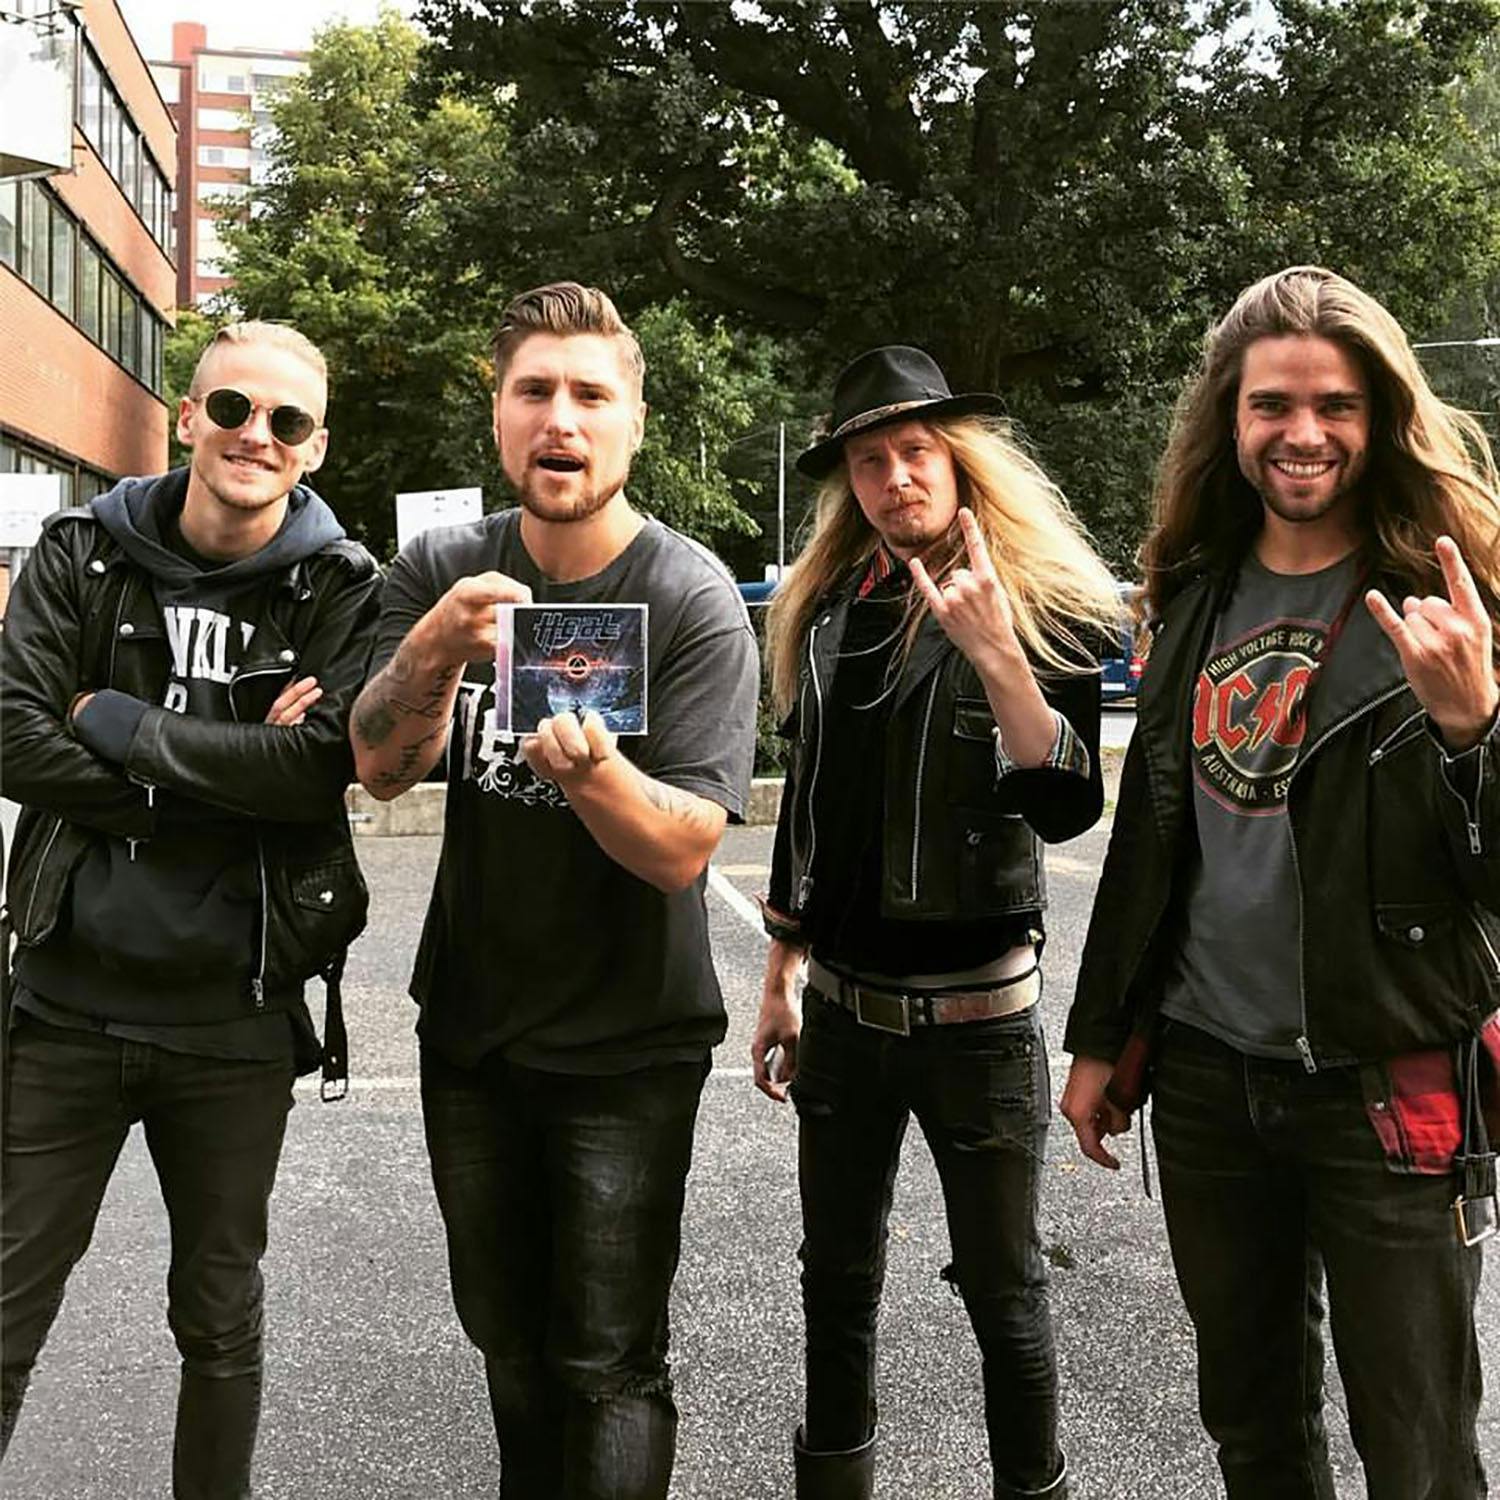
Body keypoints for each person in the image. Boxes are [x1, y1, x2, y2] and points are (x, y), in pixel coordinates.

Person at [1061, 265, 1500, 1497]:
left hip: (1385, 1078)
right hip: (1209, 1078)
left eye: (1336, 405)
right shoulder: (1194, 590)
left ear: (1382, 417)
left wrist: (1475, 727)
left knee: (1417, 1454)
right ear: (1232, 418)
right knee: (1253, 1435)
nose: (1303, 433)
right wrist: (1100, 1037)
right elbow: (1151, 845)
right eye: (1273, 405)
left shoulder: (1453, 593)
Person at [349, 281, 758, 1500]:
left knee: (609, 1362)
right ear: (499, 415)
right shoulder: (442, 567)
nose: (560, 419)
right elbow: (378, 767)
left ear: (634, 421)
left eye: (589, 394)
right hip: (471, 1033)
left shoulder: (686, 596)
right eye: (534, 391)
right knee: (508, 1345)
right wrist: (432, 651)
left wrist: (592, 776)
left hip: (629, 1043)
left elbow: (685, 847)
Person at [0, 321, 381, 1495]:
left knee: (218, 1322)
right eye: (231, 409)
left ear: (316, 446)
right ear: (185, 417)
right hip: (65, 1001)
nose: (255, 436)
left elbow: (318, 770)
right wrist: (217, 785)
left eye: (286, 420)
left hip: (234, 1015)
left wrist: (115, 724)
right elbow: (10, 732)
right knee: (4, 1313)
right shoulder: (82, 550)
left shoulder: (340, 586)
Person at [751, 345, 1121, 1500]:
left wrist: (998, 654)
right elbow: (808, 808)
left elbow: (1066, 807)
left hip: (979, 1026)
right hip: (842, 1014)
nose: (896, 478)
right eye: (871, 462)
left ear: (959, 464)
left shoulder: (1042, 600)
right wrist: (780, 969)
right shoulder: (829, 611)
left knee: (1007, 1295)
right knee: (834, 1283)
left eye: (916, 452)